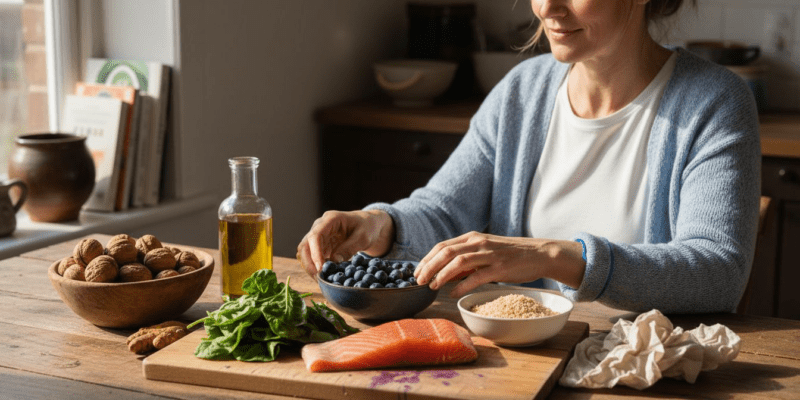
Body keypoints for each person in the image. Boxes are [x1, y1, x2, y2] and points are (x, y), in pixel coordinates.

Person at [297, 0, 760, 314]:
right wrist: (379, 225)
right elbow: (444, 211)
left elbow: (718, 271)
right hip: (523, 369)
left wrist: (553, 256)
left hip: (646, 374)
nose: (546, 7)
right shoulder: (523, 91)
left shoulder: (715, 103)